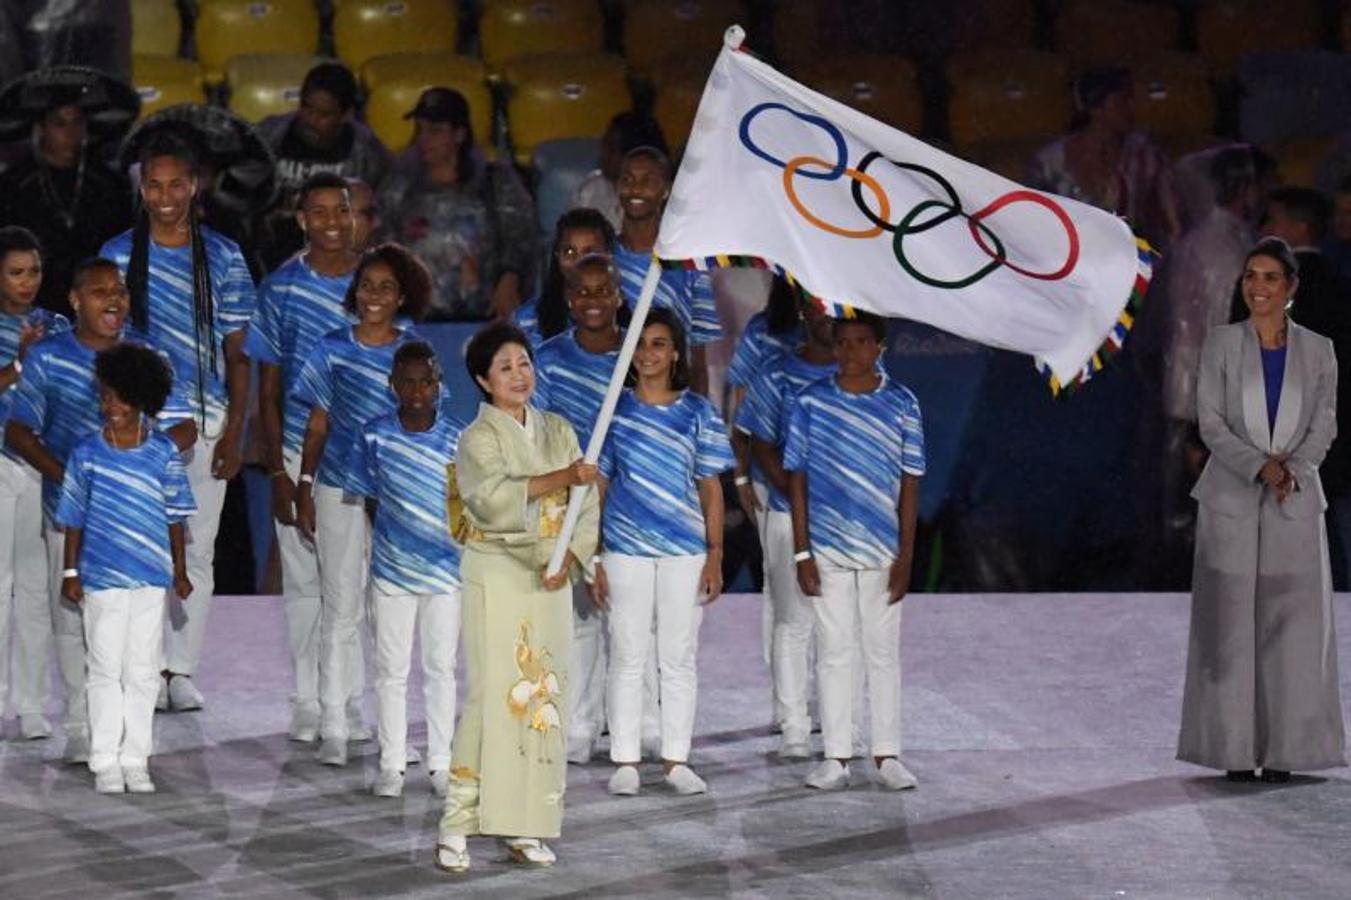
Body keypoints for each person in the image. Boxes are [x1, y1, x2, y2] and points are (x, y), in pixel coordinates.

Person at [6, 258, 196, 764]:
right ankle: (81, 726)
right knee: (72, 620)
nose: (113, 300)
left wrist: (144, 461)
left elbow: (185, 427)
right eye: (98, 291)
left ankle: (132, 737)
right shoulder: (48, 357)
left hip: (137, 523)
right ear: (74, 300)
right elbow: (19, 430)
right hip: (70, 516)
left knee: (138, 628)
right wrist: (70, 478)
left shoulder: (146, 355)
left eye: (120, 291)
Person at [1178, 237, 1346, 782]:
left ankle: (1287, 751)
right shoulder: (1221, 344)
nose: (1258, 287)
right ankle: (1232, 748)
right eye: (1251, 276)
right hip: (1231, 498)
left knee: (1294, 629)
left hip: (1294, 499)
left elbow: (1325, 422)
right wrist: (1260, 466)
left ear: (1291, 288)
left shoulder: (1319, 351)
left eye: (1271, 277)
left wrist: (1293, 468)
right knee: (1227, 629)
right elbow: (1211, 422)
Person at [434, 321, 599, 873]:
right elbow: (491, 499)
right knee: (492, 695)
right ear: (483, 380)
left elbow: (586, 501)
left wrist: (570, 558)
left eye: (524, 363)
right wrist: (565, 478)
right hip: (498, 572)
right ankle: (457, 824)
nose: (518, 374)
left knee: (542, 697)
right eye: (504, 367)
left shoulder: (558, 429)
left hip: (550, 577)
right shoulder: (476, 438)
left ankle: (526, 825)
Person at [100, 130, 255, 713]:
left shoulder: (223, 255)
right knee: (139, 548)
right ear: (142, 188)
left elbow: (238, 349)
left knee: (197, 547)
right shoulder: (117, 255)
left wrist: (235, 429)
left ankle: (180, 668)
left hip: (207, 423)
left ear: (194, 186)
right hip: (136, 429)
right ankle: (140, 665)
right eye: (153, 185)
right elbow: (105, 346)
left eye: (175, 184)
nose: (164, 196)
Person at [292, 243, 432, 767]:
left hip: (397, 495)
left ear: (402, 297)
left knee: (390, 611)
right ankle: (335, 719)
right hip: (338, 489)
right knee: (341, 604)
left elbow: (424, 422)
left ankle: (389, 727)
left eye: (387, 287)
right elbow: (318, 422)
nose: (375, 295)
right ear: (355, 293)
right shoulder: (330, 348)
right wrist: (304, 483)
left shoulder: (413, 350)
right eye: (367, 285)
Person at [593, 307, 734, 797]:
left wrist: (715, 553)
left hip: (683, 552)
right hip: (625, 550)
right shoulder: (613, 410)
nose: (649, 353)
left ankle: (676, 759)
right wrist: (594, 555)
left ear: (675, 352)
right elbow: (600, 486)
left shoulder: (697, 411)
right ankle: (626, 760)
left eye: (658, 343)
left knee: (677, 657)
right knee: (627, 654)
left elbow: (711, 487)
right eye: (640, 344)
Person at [785, 311, 925, 791]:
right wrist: (802, 552)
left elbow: (910, 484)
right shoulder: (810, 403)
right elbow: (796, 478)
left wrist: (906, 556)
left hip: (882, 547)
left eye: (862, 342)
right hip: (826, 547)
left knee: (882, 652)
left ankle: (887, 752)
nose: (851, 351)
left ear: (880, 347)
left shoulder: (902, 404)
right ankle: (836, 755)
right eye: (843, 342)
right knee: (833, 651)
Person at [246, 172, 361, 743]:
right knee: (303, 580)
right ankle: (311, 699)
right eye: (319, 213)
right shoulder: (281, 288)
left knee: (358, 581)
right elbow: (267, 388)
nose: (332, 223)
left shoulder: (378, 283)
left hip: (366, 457)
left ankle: (350, 698)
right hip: (295, 449)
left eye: (340, 210)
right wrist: (276, 470)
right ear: (302, 220)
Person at [532, 254, 658, 764]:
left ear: (619, 297)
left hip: (629, 499)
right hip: (569, 501)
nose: (591, 301)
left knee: (632, 615)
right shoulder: (548, 358)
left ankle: (642, 722)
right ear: (568, 299)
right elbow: (535, 430)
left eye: (601, 291)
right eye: (581, 292)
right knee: (579, 615)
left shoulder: (637, 356)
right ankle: (579, 725)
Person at [56, 343, 196, 794]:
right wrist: (70, 572)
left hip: (151, 576)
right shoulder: (86, 454)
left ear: (142, 400)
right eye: (104, 396)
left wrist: (179, 569)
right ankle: (104, 759)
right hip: (101, 576)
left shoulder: (163, 455)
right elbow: (73, 517)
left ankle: (136, 757)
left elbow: (175, 515)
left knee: (142, 670)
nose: (109, 406)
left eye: (118, 397)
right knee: (104, 667)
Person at [351, 342, 465, 798]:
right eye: (408, 381)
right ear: (392, 385)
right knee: (391, 669)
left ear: (438, 385)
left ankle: (441, 762)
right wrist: (395, 547)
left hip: (445, 573)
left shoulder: (458, 437)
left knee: (441, 667)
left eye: (426, 381)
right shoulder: (374, 435)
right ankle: (392, 763)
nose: (417, 390)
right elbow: (371, 499)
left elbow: (464, 504)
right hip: (392, 573)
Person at [735, 296, 838, 757]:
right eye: (822, 310)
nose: (832, 321)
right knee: (790, 615)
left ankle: (836, 719)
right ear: (805, 313)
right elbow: (760, 441)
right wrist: (798, 503)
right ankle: (793, 720)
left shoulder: (862, 378)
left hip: (844, 522)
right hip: (782, 509)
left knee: (836, 624)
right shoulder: (776, 369)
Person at [378, 88, 536, 320]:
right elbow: (382, 241)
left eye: (435, 131)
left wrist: (510, 278)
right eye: (419, 130)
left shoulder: (494, 182)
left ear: (459, 134)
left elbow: (519, 237)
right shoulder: (399, 185)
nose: (424, 139)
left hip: (484, 316)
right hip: (415, 317)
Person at [0, 226, 67, 741]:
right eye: (16, 272)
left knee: (37, 588)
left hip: (44, 466)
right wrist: (22, 360)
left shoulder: (57, 325)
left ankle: (31, 703)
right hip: (1, 464)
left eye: (35, 272)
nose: (28, 282)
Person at [0, 101, 132, 315]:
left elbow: (125, 243)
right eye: (59, 124)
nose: (70, 133)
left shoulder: (109, 184)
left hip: (95, 302)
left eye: (77, 122)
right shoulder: (14, 184)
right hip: (32, 302)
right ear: (41, 129)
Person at [257, 62, 392, 269]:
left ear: (346, 115)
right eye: (306, 108)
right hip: (269, 245)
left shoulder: (368, 155)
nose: (310, 120)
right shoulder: (268, 135)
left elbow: (380, 220)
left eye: (323, 115)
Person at [1027, 66, 1180, 250]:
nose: (1132, 107)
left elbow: (1171, 226)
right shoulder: (1048, 163)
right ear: (1095, 108)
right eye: (1123, 101)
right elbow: (1034, 225)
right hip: (1065, 262)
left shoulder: (1146, 158)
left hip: (1130, 262)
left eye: (1132, 99)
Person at [614, 147, 722, 394]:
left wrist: (698, 419)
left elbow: (698, 356)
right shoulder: (603, 256)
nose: (636, 188)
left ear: (667, 190)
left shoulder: (688, 264)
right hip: (611, 400)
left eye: (648, 180)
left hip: (670, 399)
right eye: (627, 179)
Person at [511, 207, 616, 348]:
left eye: (589, 252)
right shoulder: (526, 320)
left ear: (608, 255)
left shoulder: (629, 322)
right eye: (569, 252)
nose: (579, 261)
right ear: (557, 255)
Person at [568, 112, 669, 231]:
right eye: (604, 145)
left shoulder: (667, 206)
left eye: (611, 149)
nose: (603, 154)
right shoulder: (589, 192)